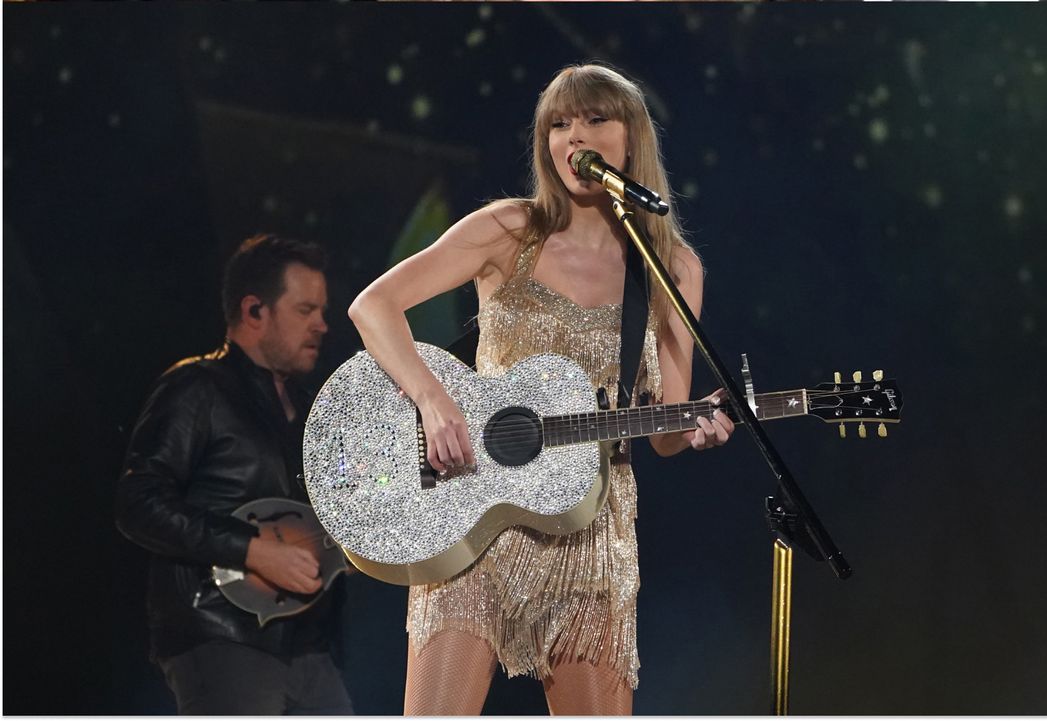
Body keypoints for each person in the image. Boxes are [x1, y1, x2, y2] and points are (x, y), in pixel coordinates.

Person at [348, 63, 735, 715]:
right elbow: (373, 306)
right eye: (557, 123)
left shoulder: (670, 267)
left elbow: (665, 428)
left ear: (631, 139)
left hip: (592, 532)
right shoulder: (509, 230)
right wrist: (434, 399)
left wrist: (694, 428)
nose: (571, 136)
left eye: (592, 119)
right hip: (478, 509)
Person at [116, 234, 352, 715]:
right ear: (253, 311)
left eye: (322, 311)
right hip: (220, 634)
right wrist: (253, 550)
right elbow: (137, 503)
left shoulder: (312, 410)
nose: (322, 325)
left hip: (309, 645)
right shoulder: (197, 388)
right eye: (306, 310)